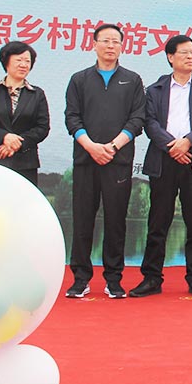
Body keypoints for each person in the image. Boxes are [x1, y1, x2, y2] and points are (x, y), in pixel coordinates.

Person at [130, 35, 192, 298]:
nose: (191, 56)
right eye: (184, 52)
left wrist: (187, 143)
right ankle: (151, 278)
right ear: (170, 57)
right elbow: (149, 123)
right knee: (158, 222)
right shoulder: (155, 89)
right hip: (164, 160)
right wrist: (173, 146)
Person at [64, 24, 145, 299]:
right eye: (105, 41)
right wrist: (91, 146)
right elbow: (72, 117)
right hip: (86, 160)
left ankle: (114, 279)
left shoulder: (132, 80)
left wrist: (112, 146)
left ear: (122, 46)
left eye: (116, 41)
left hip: (117, 160)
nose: (111, 46)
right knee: (82, 220)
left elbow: (137, 119)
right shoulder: (79, 79)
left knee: (116, 221)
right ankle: (80, 279)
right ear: (94, 44)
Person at [0, 41, 50, 186]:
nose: (23, 65)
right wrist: (4, 137)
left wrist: (17, 143)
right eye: (19, 60)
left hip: (25, 163)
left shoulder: (37, 94)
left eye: (27, 61)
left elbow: (42, 128)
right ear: (6, 61)